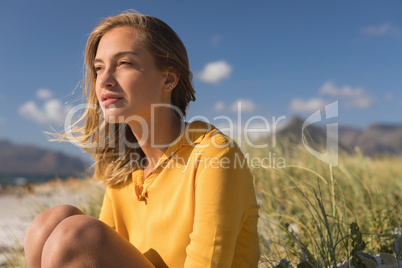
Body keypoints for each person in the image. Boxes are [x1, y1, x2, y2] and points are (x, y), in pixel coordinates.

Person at [24, 10, 260, 267]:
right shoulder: (125, 168)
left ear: (168, 79)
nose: (103, 80)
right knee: (47, 224)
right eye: (99, 68)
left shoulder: (214, 155)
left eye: (123, 63)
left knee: (75, 235)